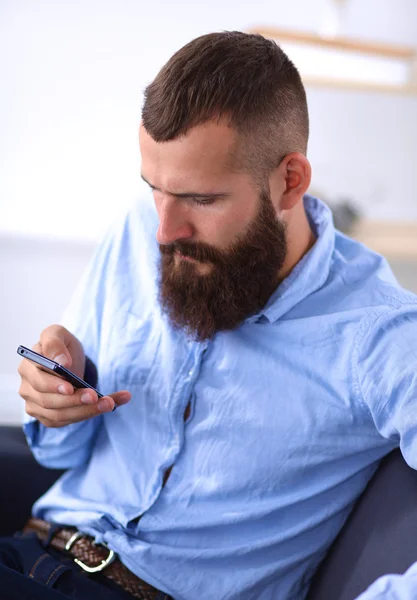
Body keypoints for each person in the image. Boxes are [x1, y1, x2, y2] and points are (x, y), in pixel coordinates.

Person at [9, 30, 417, 600]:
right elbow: (61, 453)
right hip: (31, 547)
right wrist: (57, 402)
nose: (165, 231)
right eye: (155, 188)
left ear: (289, 181)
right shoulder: (136, 232)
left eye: (201, 200)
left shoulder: (379, 335)